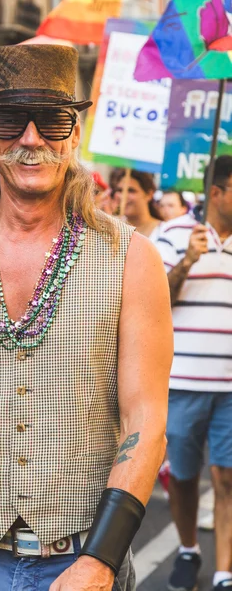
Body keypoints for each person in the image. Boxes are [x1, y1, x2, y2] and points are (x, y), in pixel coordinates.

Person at [0, 45, 172, 591]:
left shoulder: (131, 260)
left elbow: (146, 422)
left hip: (85, 561)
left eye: (53, 120)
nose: (32, 139)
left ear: (76, 133)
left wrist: (100, 561)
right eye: (11, 120)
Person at [155, 155, 232, 591]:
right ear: (217, 192)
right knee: (182, 477)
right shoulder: (172, 234)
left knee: (227, 477)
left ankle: (224, 572)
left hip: (230, 385)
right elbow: (154, 300)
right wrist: (187, 261)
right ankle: (189, 549)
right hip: (182, 382)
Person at [115, 170, 163, 240]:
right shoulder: (112, 228)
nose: (123, 196)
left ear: (149, 194)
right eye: (119, 190)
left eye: (131, 190)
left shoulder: (164, 231)